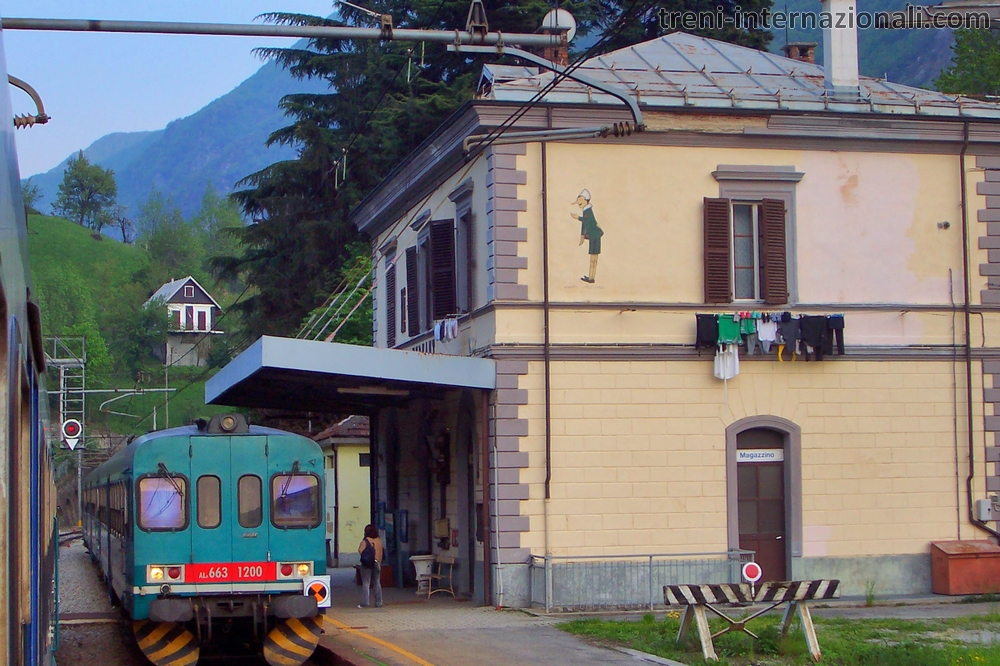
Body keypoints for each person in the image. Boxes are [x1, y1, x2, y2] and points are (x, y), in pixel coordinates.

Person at [571, 189, 603, 283]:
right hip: (594, 235)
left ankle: (591, 277)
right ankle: (591, 277)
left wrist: (578, 218)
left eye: (580, 199)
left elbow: (588, 222)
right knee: (593, 258)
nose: (578, 202)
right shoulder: (586, 210)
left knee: (593, 258)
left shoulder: (588, 211)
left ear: (586, 200)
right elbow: (585, 223)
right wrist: (582, 236)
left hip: (595, 235)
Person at [358, 524, 384, 608]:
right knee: (377, 582)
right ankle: (379, 602)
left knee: (366, 583)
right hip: (377, 563)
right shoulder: (379, 541)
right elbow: (381, 553)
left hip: (367, 564)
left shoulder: (365, 541)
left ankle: (365, 603)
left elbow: (360, 551)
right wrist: (379, 563)